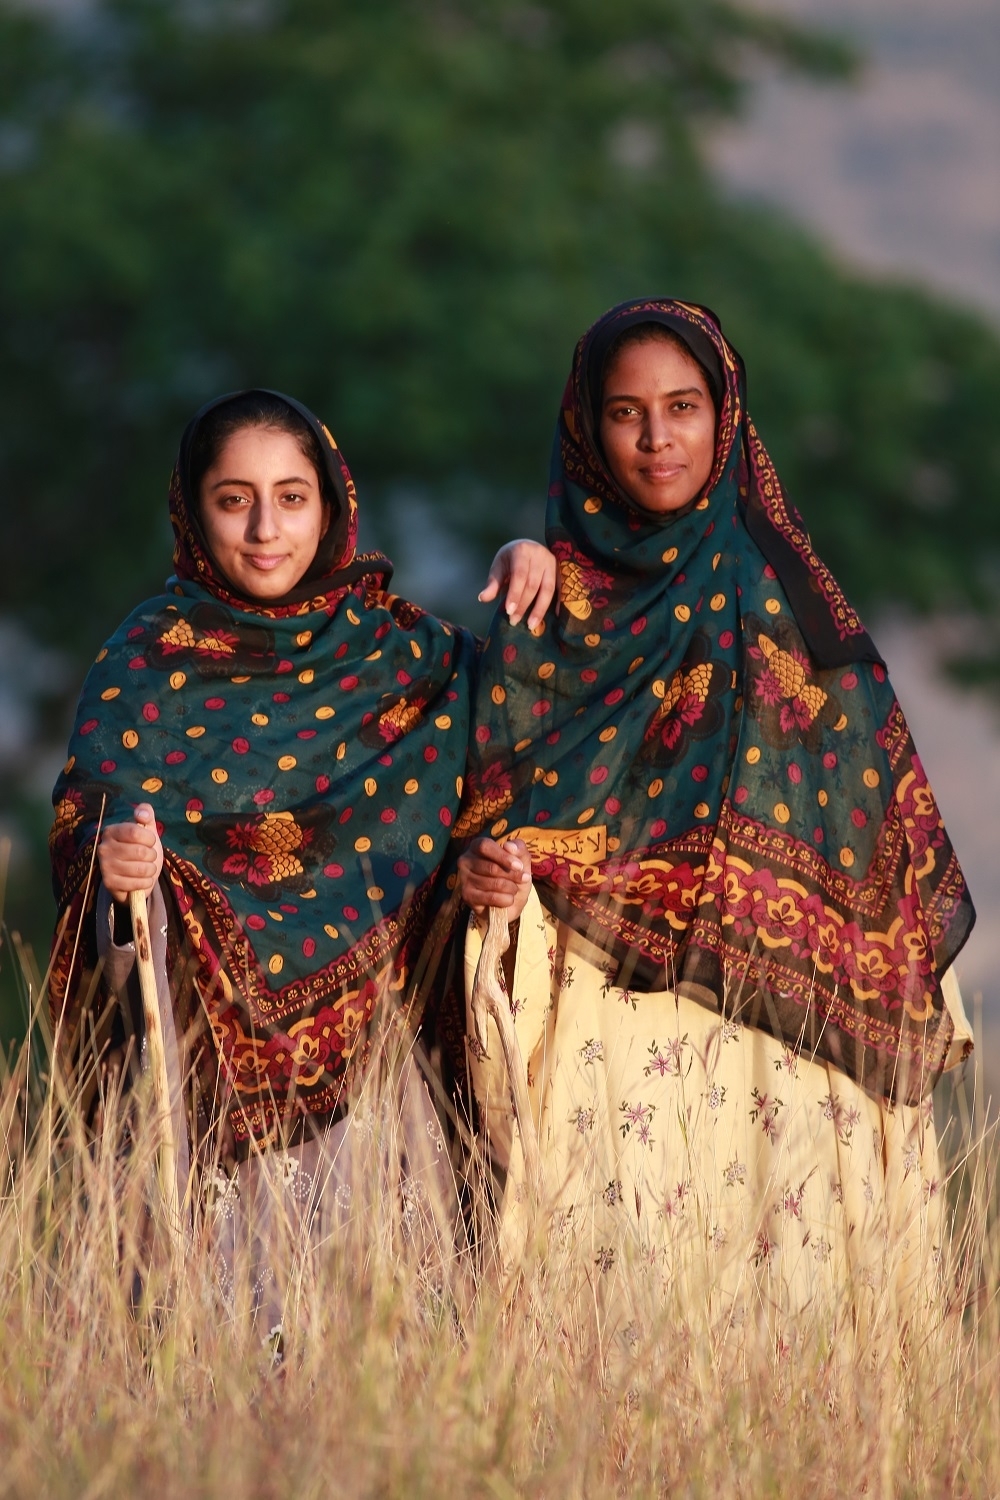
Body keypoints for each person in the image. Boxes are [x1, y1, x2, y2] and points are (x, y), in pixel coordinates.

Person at [454, 300, 975, 1347]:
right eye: (626, 413)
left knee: (794, 1316)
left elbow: (874, 821)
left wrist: (895, 995)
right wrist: (487, 869)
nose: (657, 439)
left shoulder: (789, 595)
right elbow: (487, 804)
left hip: (789, 1027)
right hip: (603, 1015)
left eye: (683, 407)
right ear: (586, 430)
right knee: (604, 1327)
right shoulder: (546, 604)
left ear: (725, 415)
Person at [48, 388, 555, 1326]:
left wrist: (539, 567)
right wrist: (109, 868)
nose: (264, 530)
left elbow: (537, 721)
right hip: (206, 1109)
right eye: (233, 500)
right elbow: (87, 820)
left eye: (290, 497)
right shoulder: (148, 661)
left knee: (382, 1366)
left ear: (331, 505)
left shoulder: (412, 659)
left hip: (384, 1092)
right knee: (216, 1361)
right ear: (192, 511)